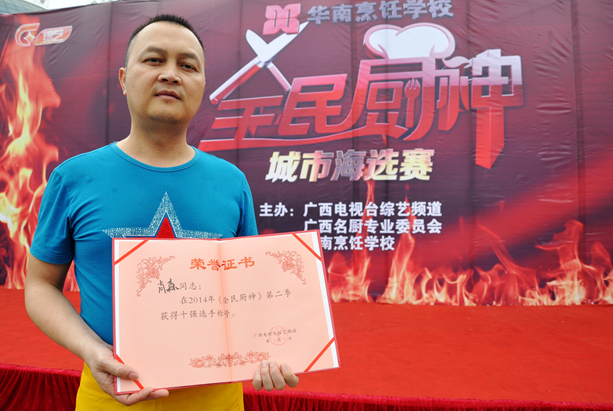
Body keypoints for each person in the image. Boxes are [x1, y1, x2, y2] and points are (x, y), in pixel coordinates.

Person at [25, 14, 298, 410]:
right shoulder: (73, 178)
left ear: (202, 85)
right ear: (123, 79)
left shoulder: (231, 182)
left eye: (187, 65)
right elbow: (39, 285)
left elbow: (250, 294)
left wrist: (273, 348)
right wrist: (91, 349)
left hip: (216, 397)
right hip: (110, 396)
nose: (171, 74)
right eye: (154, 60)